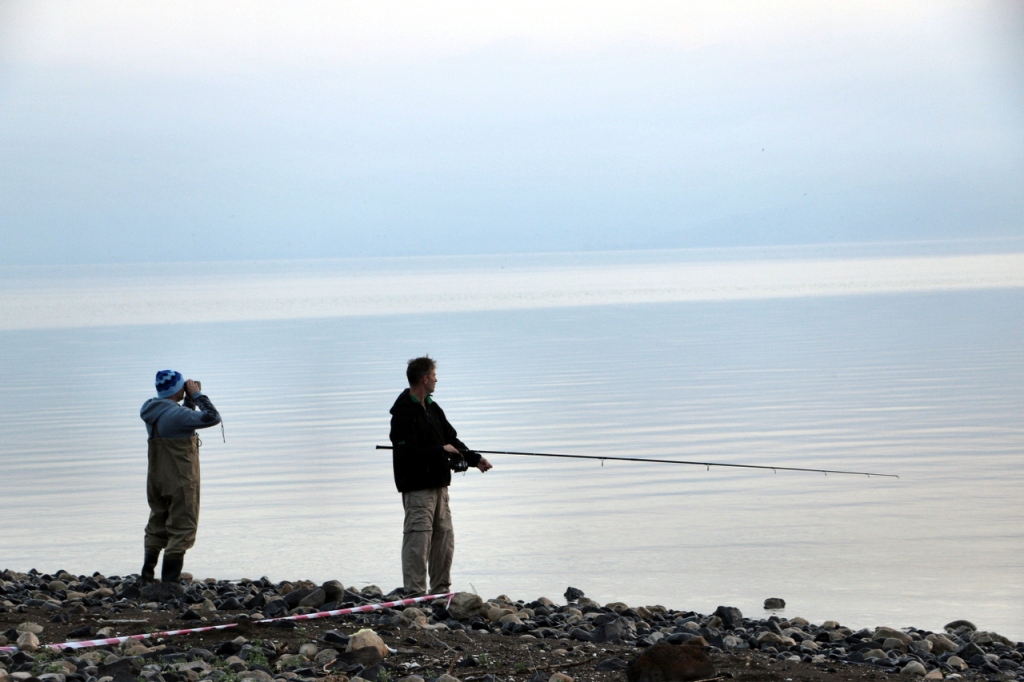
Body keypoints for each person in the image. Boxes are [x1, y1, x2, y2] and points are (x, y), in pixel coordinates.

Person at [389, 356, 492, 595]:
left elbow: (451, 439)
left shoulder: (433, 408)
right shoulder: (403, 412)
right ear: (424, 379)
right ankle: (415, 594)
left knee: (444, 538)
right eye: (434, 375)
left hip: (439, 485)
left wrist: (474, 459)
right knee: (418, 539)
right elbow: (407, 452)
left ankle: (440, 591)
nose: (436, 379)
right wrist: (439, 451)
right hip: (417, 488)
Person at [139, 370, 221, 584]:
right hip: (180, 479)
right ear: (177, 389)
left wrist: (187, 402)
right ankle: (170, 583)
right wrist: (197, 395)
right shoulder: (176, 415)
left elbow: (182, 421)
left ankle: (146, 577)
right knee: (182, 527)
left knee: (157, 523)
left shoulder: (153, 411)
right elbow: (213, 417)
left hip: (157, 477)